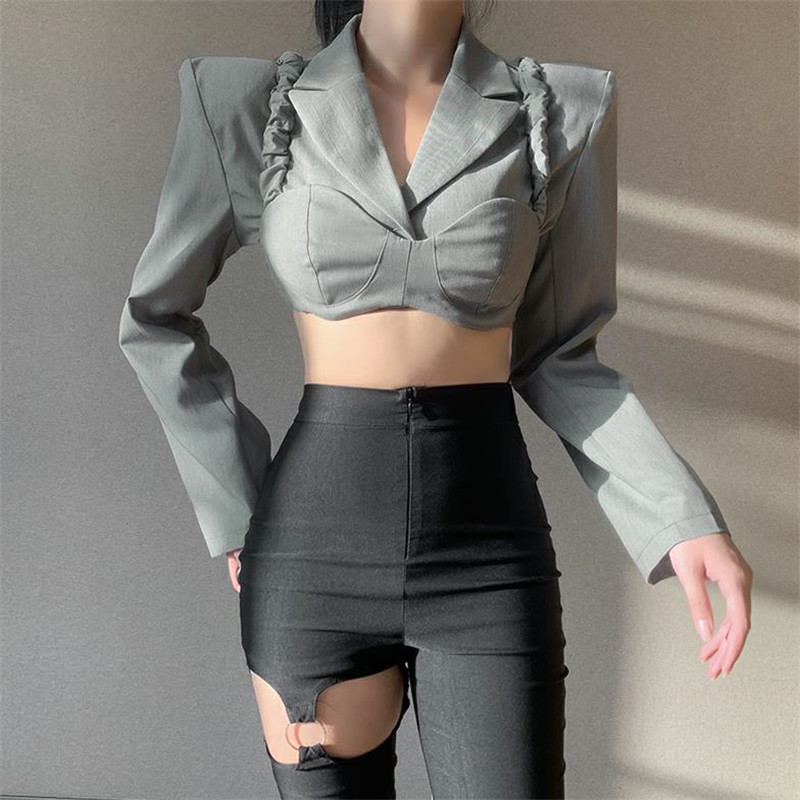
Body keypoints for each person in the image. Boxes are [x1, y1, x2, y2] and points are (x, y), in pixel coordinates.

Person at [118, 1, 753, 797]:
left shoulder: (560, 112)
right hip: (312, 556)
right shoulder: (246, 106)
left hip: (488, 554)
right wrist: (237, 504)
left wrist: (680, 518)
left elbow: (560, 356)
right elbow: (155, 318)